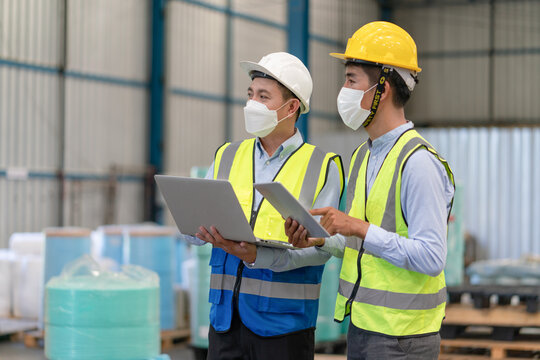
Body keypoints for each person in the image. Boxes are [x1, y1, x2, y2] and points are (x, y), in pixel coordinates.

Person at [284, 21, 455, 359]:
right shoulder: (364, 154)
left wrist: (358, 227)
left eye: (351, 80)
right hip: (363, 326)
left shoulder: (418, 163)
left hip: (403, 339)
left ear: (384, 88)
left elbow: (432, 257)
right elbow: (362, 244)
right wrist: (319, 238)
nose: (343, 91)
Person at [189, 52, 344, 360]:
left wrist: (260, 256)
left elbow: (329, 248)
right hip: (224, 322)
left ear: (292, 107)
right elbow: (194, 227)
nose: (252, 104)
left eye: (263, 96)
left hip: (284, 328)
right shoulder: (227, 155)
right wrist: (197, 231)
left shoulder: (322, 166)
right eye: (250, 95)